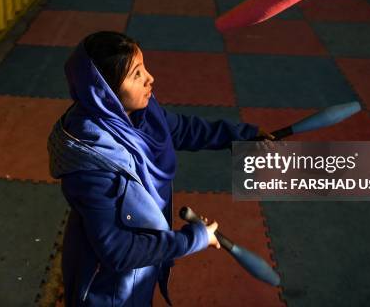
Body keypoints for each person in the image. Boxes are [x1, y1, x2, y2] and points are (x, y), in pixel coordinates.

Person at [48, 31, 273, 306]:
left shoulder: (139, 112)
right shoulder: (92, 165)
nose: (150, 79)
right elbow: (117, 251)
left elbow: (180, 129)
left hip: (142, 264)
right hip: (108, 287)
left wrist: (239, 135)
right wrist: (192, 239)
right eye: (136, 75)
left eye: (144, 68)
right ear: (105, 92)